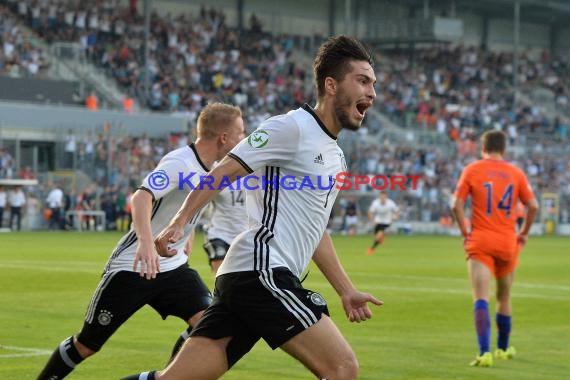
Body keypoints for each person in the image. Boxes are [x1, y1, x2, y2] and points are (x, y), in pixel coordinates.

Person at [123, 35, 382, 380]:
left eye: (373, 84)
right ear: (331, 85)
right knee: (342, 367)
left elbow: (315, 229)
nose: (372, 93)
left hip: (248, 276)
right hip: (261, 270)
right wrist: (180, 222)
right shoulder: (291, 127)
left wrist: (346, 290)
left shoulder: (335, 156)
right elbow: (223, 171)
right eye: (362, 81)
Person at [37, 102, 246, 380]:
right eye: (240, 133)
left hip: (173, 268)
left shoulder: (214, 169)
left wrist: (187, 236)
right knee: (87, 345)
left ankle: (170, 376)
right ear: (224, 138)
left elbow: (186, 208)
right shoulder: (179, 162)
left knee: (207, 325)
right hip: (133, 267)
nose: (243, 139)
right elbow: (141, 197)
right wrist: (147, 244)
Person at [451, 130, 539, 367]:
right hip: (508, 243)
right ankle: (502, 348)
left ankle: (484, 353)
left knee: (481, 297)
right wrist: (524, 233)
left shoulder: (472, 169)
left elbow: (456, 204)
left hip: (481, 241)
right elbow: (533, 206)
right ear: (504, 149)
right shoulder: (516, 173)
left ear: (483, 147)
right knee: (504, 296)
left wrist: (465, 233)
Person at [202, 186, 247, 274]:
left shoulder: (255, 180)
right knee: (221, 274)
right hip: (218, 234)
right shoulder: (220, 177)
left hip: (244, 236)